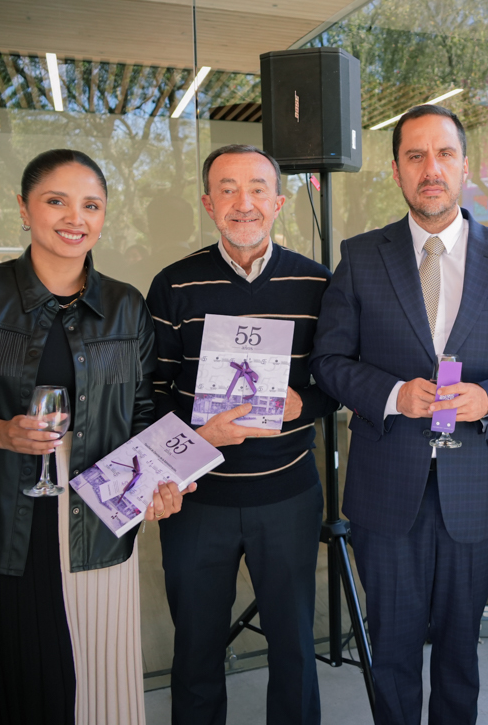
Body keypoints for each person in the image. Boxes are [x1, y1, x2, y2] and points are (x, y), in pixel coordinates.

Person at [0, 149, 190, 725]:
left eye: (91, 205)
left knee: (102, 674)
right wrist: (1, 433)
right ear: (24, 209)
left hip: (100, 512)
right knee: (27, 684)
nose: (75, 218)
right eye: (57, 201)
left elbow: (141, 411)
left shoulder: (125, 305)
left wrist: (159, 481)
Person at [311, 104, 488, 725]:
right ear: (396, 171)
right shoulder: (361, 257)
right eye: (415, 156)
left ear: (466, 166)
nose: (431, 169)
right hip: (387, 489)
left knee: (458, 652)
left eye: (444, 154)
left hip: (474, 490)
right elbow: (329, 362)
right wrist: (394, 394)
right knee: (391, 651)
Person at [148, 144, 338, 725]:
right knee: (196, 650)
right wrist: (194, 436)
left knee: (293, 645)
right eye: (227, 189)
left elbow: (341, 380)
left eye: (257, 188)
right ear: (209, 204)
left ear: (278, 202)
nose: (243, 202)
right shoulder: (174, 285)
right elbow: (151, 391)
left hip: (287, 496)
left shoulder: (317, 283)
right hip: (197, 500)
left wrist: (304, 403)